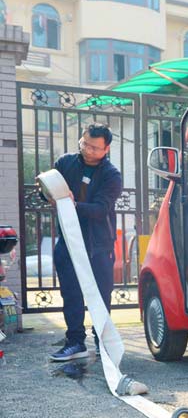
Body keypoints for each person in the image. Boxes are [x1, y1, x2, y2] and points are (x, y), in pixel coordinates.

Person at [46, 124, 123, 361]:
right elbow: (45, 190)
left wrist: (71, 204)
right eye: (85, 144)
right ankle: (75, 342)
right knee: (71, 293)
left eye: (95, 148)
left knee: (100, 295)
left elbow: (101, 210)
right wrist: (50, 193)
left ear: (106, 148)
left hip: (98, 245)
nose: (88, 150)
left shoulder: (112, 175)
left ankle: (103, 342)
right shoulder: (65, 163)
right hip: (67, 241)